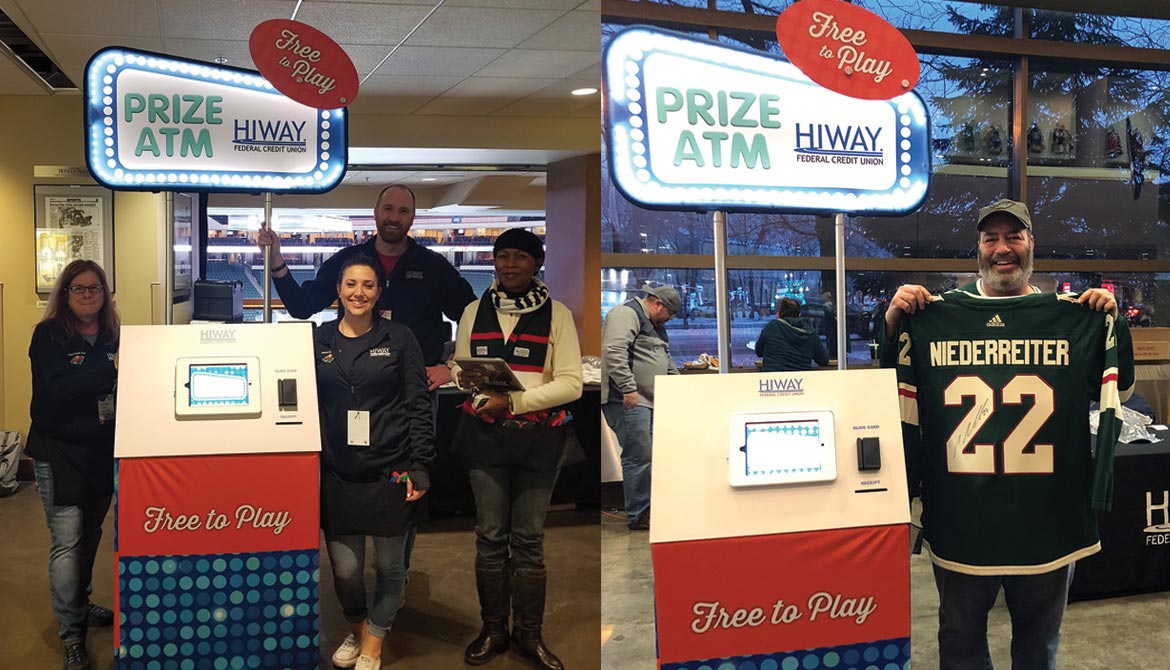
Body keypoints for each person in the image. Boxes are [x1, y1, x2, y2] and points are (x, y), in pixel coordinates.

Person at [881, 198, 1135, 670]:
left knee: (1038, 646)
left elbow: (1118, 385)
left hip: (1047, 520)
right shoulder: (934, 316)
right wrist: (894, 322)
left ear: (1031, 244)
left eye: (1013, 236)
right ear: (977, 248)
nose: (1003, 248)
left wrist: (1112, 321)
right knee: (959, 643)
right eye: (991, 238)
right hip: (962, 517)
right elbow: (888, 391)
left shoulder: (1075, 317)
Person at [258, 183, 474, 604]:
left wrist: (452, 367)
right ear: (376, 212)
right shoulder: (349, 262)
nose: (395, 216)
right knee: (349, 472)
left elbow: (471, 314)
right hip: (355, 388)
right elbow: (302, 307)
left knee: (409, 476)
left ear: (413, 218)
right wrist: (279, 260)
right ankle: (358, 567)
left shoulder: (432, 267)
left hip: (412, 392)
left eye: (404, 210)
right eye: (388, 208)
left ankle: (397, 571)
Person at [452, 229, 583, 669]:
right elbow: (461, 369)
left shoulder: (558, 314)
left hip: (538, 443)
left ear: (535, 264)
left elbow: (571, 383)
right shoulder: (474, 310)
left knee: (528, 541)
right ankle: (493, 630)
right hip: (484, 439)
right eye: (502, 256)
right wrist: (469, 388)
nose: (510, 265)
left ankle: (529, 635)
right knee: (490, 539)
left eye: (519, 258)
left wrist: (516, 401)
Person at [313, 255, 435, 670]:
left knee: (389, 567)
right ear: (338, 289)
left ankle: (375, 640)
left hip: (392, 469)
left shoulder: (399, 338)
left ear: (379, 291)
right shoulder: (319, 340)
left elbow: (419, 404)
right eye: (350, 284)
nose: (358, 293)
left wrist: (421, 464)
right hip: (337, 474)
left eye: (367, 284)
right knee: (345, 571)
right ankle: (358, 628)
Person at [25, 260, 120, 670]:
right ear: (64, 294)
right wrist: (108, 371)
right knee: (67, 541)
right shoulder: (48, 336)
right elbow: (60, 390)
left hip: (101, 450)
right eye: (78, 289)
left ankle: (80, 604)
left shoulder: (116, 335)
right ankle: (72, 636)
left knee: (92, 534)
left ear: (105, 293)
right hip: (58, 452)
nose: (87, 296)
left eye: (95, 288)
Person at [601, 284, 680, 531]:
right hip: (628, 399)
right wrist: (628, 388)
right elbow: (614, 351)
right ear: (658, 304)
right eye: (671, 313)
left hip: (650, 400)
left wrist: (680, 386)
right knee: (639, 456)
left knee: (650, 455)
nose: (671, 319)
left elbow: (664, 358)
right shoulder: (626, 314)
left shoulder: (656, 326)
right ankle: (639, 514)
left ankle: (650, 508)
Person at [755, 297, 830, 372]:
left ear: (779, 314)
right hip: (801, 381)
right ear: (799, 314)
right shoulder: (810, 332)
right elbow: (823, 360)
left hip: (773, 380)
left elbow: (759, 351)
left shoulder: (772, 327)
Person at [820, 291, 838, 360]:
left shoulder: (826, 307)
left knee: (831, 343)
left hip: (830, 328)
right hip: (832, 328)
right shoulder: (830, 307)